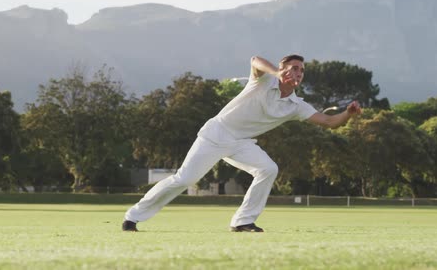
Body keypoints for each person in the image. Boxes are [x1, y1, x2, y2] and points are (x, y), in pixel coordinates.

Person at [123, 55, 362, 232]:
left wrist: (348, 114)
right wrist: (276, 73)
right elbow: (255, 60)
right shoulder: (263, 81)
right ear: (281, 69)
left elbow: (330, 122)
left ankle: (243, 221)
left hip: (241, 143)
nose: (298, 73)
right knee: (185, 179)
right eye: (293, 68)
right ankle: (133, 216)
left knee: (268, 169)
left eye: (301, 70)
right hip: (216, 134)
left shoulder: (296, 106)